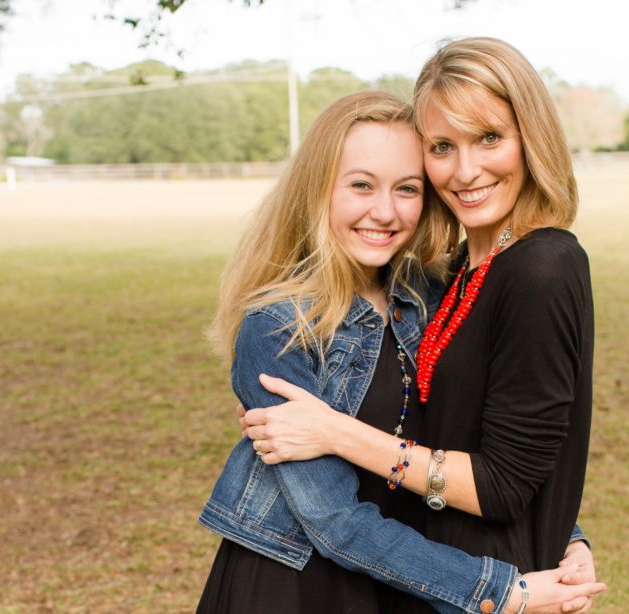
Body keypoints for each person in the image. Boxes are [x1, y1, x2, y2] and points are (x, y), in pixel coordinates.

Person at [199, 90, 604, 613]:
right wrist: (501, 592)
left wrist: (567, 536)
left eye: (406, 189)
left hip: (406, 580)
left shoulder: (429, 296)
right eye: (361, 185)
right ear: (317, 190)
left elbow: (489, 442)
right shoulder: (277, 329)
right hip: (297, 586)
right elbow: (335, 523)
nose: (384, 212)